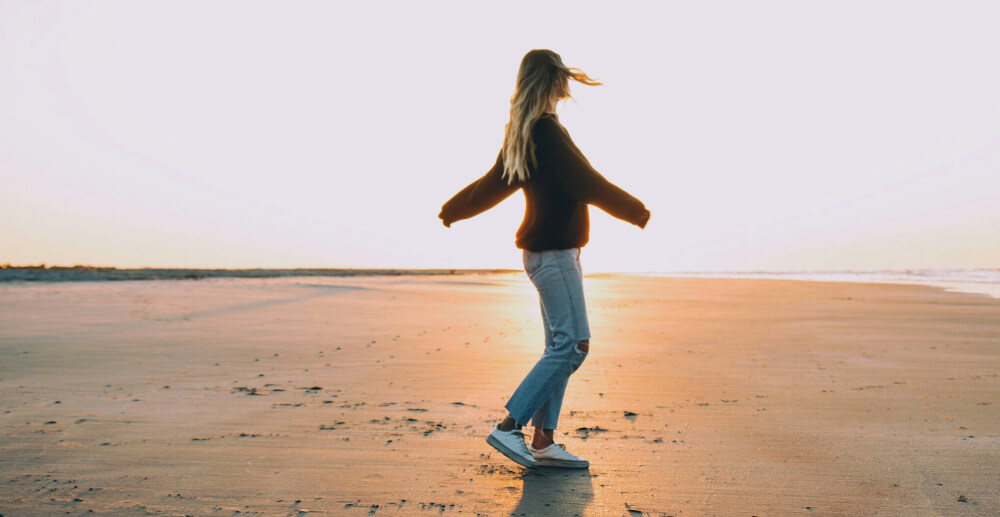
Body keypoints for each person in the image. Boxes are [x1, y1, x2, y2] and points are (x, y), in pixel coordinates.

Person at [438, 49, 650, 469]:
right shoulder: (547, 132)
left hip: (544, 255)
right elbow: (586, 182)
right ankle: (509, 426)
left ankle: (543, 441)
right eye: (562, 80)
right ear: (554, 82)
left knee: (560, 346)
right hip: (554, 255)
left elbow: (489, 186)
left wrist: (452, 209)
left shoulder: (524, 132)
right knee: (573, 345)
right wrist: (635, 211)